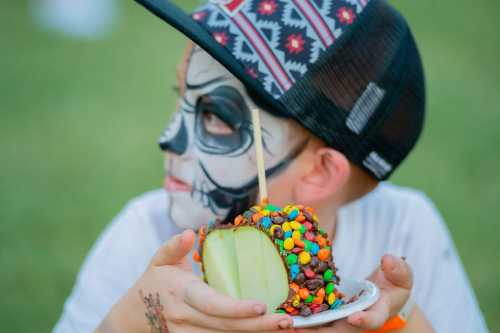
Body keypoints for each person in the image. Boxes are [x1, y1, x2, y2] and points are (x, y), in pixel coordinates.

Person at [53, 0, 489, 332]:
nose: (167, 136)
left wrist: (400, 320)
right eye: (181, 98)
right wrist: (137, 317)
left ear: (320, 172)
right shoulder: (145, 237)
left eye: (216, 117)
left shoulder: (404, 229)